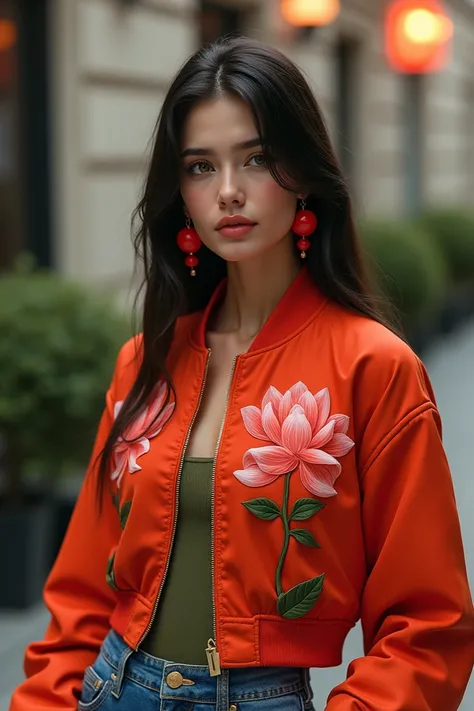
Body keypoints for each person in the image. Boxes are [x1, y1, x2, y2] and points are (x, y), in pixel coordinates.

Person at [9, 36, 473, 711]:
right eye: (200, 166)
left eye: (256, 158)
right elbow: (82, 591)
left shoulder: (374, 368)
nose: (228, 191)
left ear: (304, 171)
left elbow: (427, 626)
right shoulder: (145, 361)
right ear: (182, 195)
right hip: (111, 690)